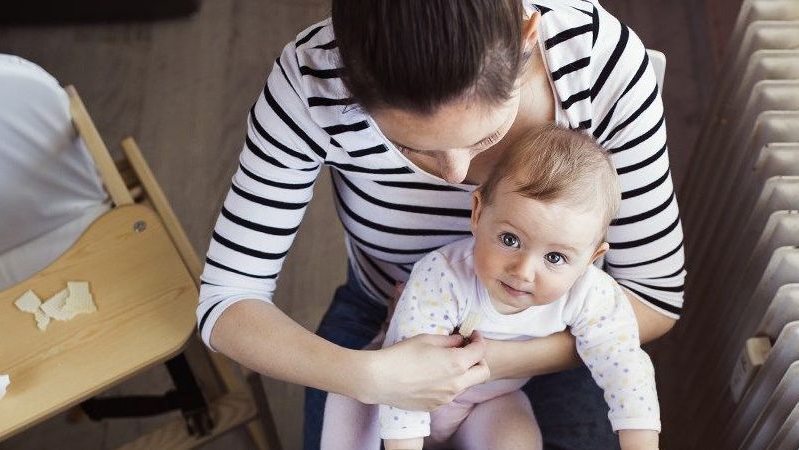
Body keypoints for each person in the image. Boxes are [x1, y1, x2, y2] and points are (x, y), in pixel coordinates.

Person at [197, 1, 685, 449]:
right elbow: (227, 299)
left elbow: (653, 298)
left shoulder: (599, 64)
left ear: (526, 40)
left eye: (485, 136)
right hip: (382, 320)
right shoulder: (311, 82)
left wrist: (486, 359)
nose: (456, 176)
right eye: (411, 147)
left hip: (555, 333)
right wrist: (370, 375)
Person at [375, 125, 659, 450]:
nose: (523, 272)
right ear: (478, 212)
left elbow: (625, 369)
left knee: (516, 438)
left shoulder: (590, 294)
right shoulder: (444, 276)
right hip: (392, 400)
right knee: (348, 410)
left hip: (487, 404)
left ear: (591, 260)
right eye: (510, 240)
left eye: (554, 257)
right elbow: (404, 375)